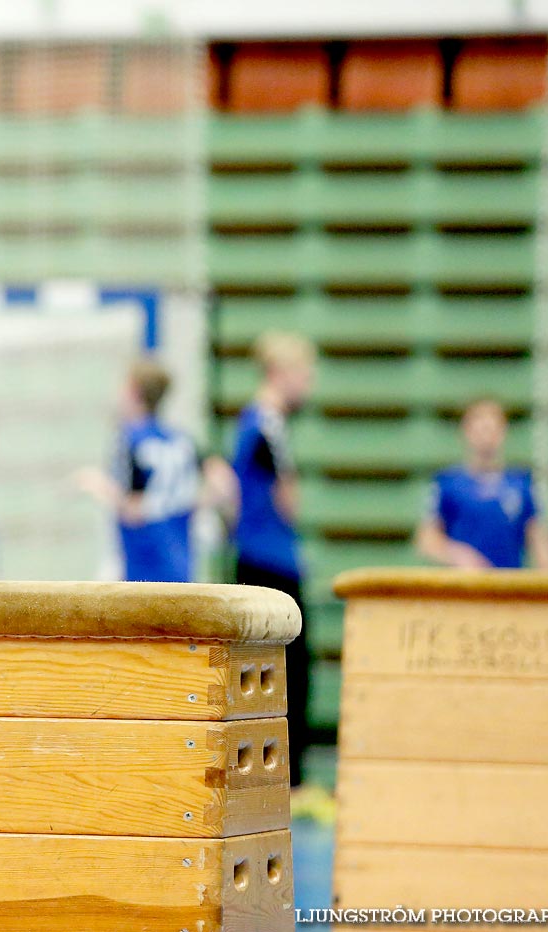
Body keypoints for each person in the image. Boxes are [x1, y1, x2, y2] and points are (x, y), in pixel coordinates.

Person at [229, 331, 315, 793]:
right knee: (292, 672)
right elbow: (288, 498)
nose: (309, 385)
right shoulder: (268, 423)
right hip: (271, 559)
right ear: (281, 374)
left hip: (258, 553)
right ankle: (291, 781)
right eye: (305, 375)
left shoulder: (250, 422)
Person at [75, 358, 199, 582]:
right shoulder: (181, 440)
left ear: (133, 391)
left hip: (145, 560)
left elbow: (133, 509)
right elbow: (219, 482)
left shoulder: (129, 439)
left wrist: (98, 486)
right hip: (180, 558)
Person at [415, 397, 548, 570]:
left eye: (491, 429)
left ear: (503, 431)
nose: (485, 437)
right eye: (479, 429)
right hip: (463, 591)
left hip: (509, 589)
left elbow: (539, 541)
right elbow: (426, 541)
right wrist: (459, 555)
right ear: (465, 431)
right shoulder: (447, 484)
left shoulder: (522, 484)